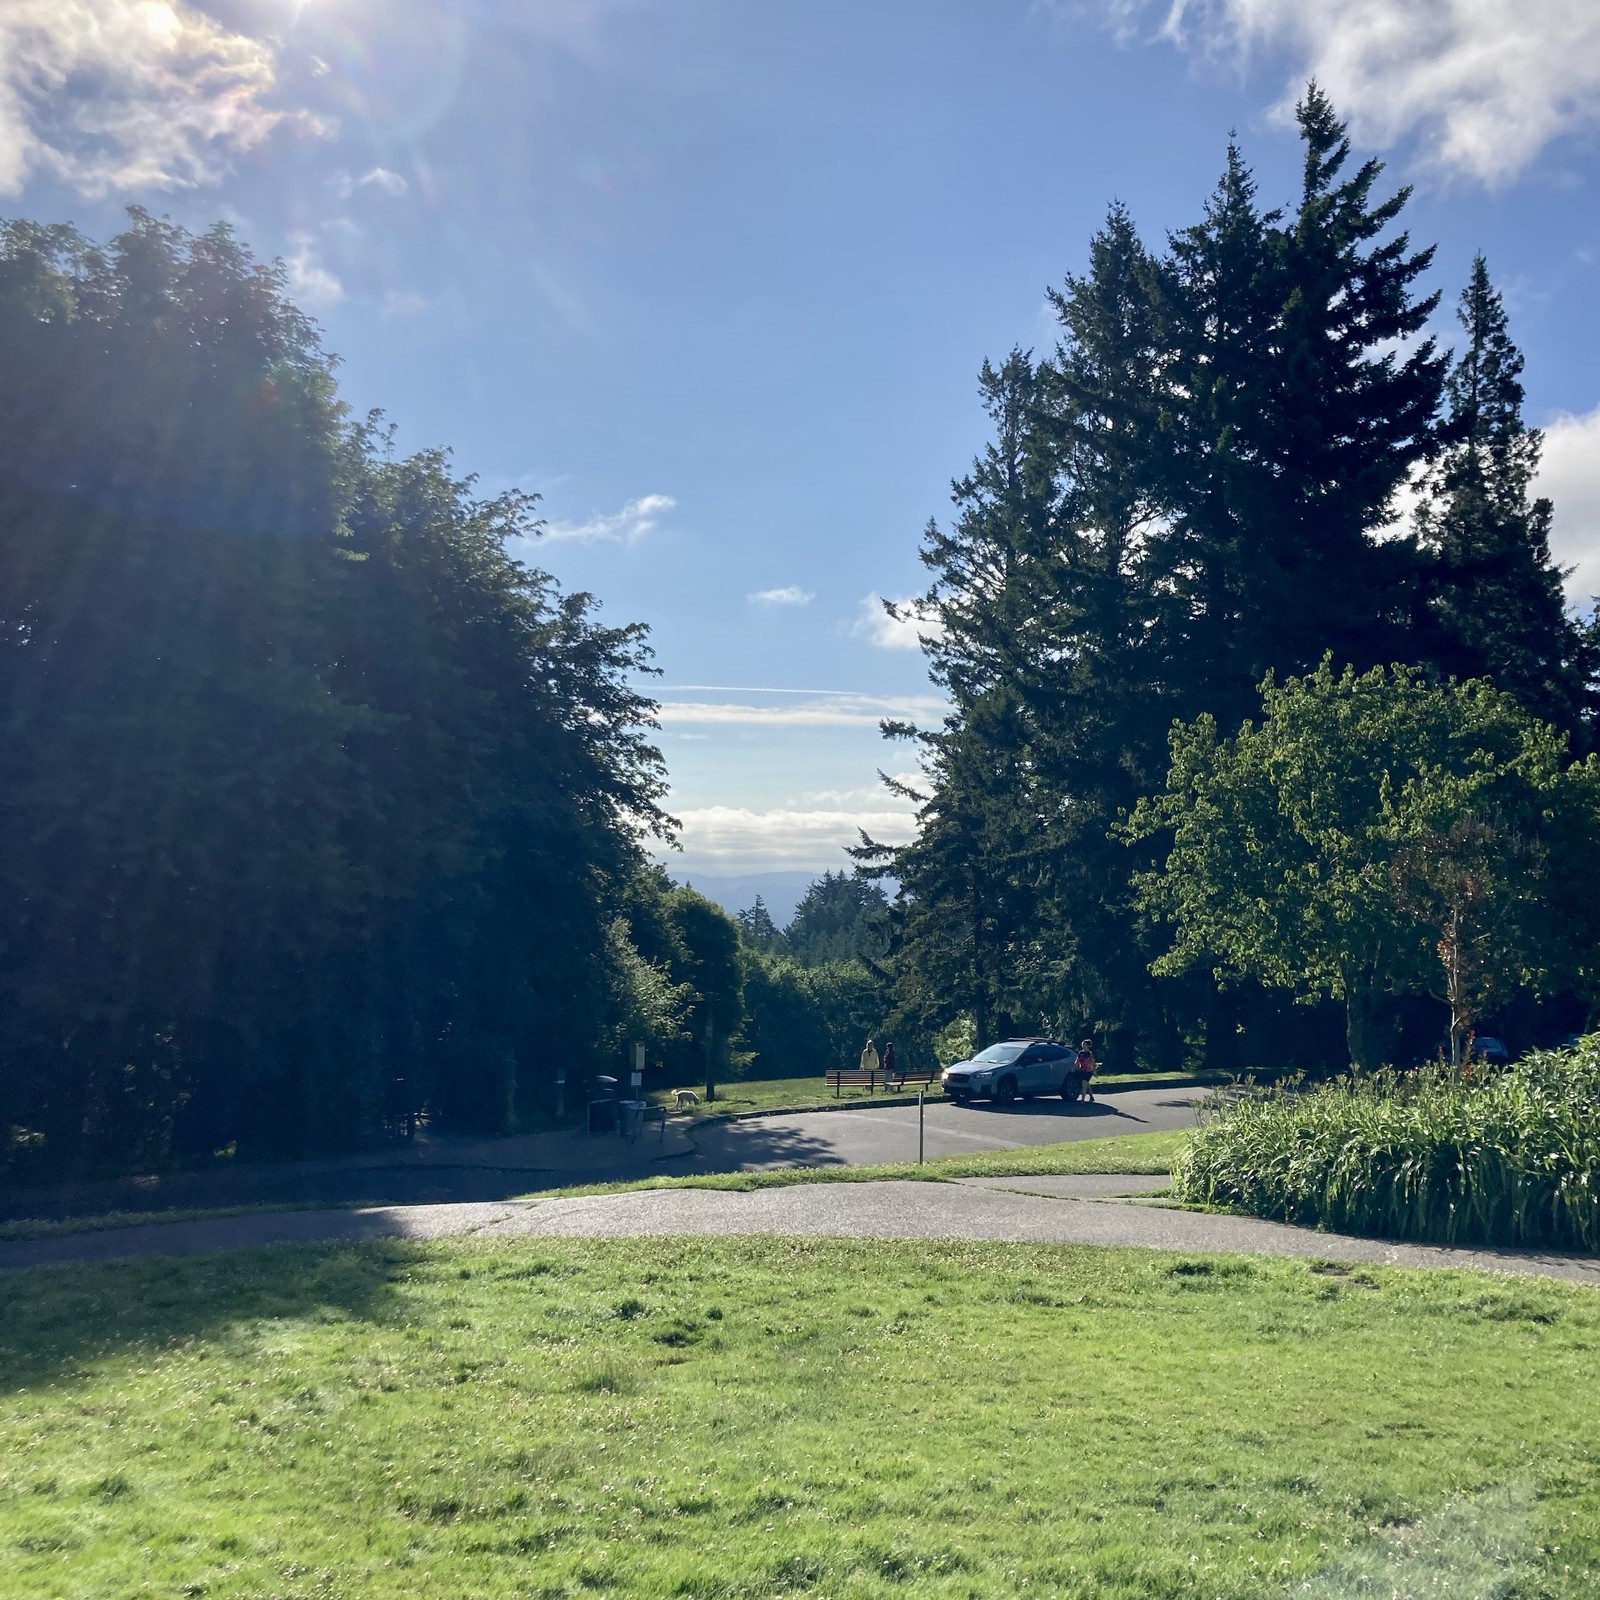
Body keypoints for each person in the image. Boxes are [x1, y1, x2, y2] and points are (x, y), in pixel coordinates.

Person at [1075, 1038, 1098, 1102]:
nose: (1083, 1046)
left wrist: (1094, 1071)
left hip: (1088, 1071)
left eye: (1084, 1044)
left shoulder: (1090, 1054)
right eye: (1082, 1044)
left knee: (1084, 1084)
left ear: (1088, 1046)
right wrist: (1075, 1067)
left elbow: (1093, 1063)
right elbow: (1077, 1061)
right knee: (1086, 1084)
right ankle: (1091, 1097)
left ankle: (1083, 1099)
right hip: (1082, 1071)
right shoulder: (1080, 1053)